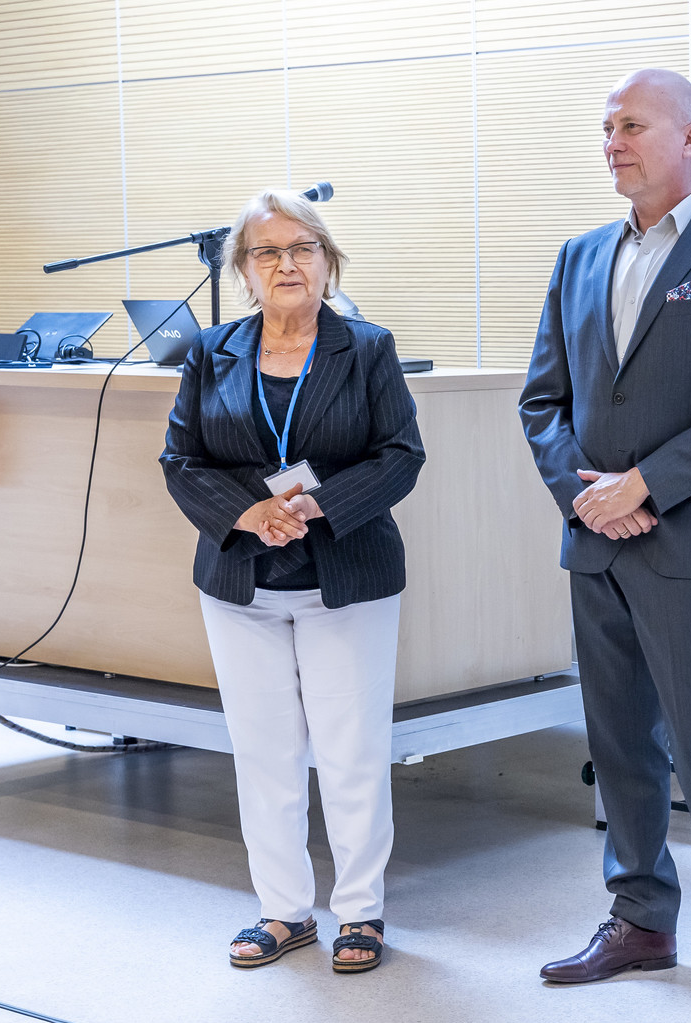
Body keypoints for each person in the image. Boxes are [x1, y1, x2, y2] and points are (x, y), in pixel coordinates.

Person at [519, 68, 691, 1013]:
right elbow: (542, 402)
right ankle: (639, 919)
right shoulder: (577, 257)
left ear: (689, 137)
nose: (613, 143)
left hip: (687, 539)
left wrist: (643, 486)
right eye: (606, 129)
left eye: (632, 125)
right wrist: (586, 496)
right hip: (595, 540)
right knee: (617, 741)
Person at [160, 188, 424, 974]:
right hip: (242, 580)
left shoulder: (367, 348)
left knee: (351, 753)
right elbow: (181, 460)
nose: (287, 264)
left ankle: (360, 912)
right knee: (264, 753)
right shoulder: (211, 352)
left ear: (327, 261)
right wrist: (248, 514)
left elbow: (401, 455)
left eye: (303, 248)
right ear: (243, 270)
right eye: (267, 251)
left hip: (346, 575)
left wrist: (319, 505)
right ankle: (283, 911)